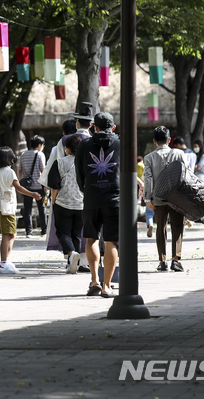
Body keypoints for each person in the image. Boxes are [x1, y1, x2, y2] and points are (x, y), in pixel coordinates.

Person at [74, 112, 121, 298]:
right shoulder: (120, 143)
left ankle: (94, 281)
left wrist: (85, 190)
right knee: (111, 241)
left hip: (92, 197)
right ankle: (107, 285)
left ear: (94, 127)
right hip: (115, 199)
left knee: (91, 238)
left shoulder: (84, 144)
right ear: (113, 127)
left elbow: (79, 172)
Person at [143, 126, 188, 273]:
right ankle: (176, 259)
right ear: (169, 140)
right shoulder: (180, 154)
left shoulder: (149, 158)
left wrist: (147, 199)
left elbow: (148, 179)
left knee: (161, 229)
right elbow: (186, 176)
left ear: (154, 141)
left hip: (158, 199)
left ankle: (162, 261)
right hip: (177, 198)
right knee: (178, 226)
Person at [0, 146, 40, 274]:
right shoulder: (9, 172)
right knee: (8, 235)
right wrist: (32, 194)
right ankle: (3, 263)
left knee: (10, 234)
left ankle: (6, 261)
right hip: (7, 207)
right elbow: (18, 187)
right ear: (9, 159)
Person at [47, 135, 84, 274]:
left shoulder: (60, 162)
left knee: (63, 232)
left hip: (63, 203)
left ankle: (71, 253)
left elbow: (54, 186)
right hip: (81, 204)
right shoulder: (85, 163)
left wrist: (54, 200)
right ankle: (74, 263)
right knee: (76, 234)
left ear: (67, 148)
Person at [18, 135, 46, 237]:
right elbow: (43, 171)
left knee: (27, 209)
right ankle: (44, 231)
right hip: (39, 186)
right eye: (43, 145)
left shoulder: (23, 155)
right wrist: (45, 184)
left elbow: (20, 171)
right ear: (39, 145)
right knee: (42, 209)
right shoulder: (40, 155)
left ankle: (28, 232)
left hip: (27, 188)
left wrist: (22, 183)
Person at [173, 137, 197, 228]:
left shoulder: (179, 153)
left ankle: (183, 221)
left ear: (178, 145)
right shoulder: (193, 153)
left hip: (180, 179)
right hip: (191, 179)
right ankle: (188, 218)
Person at [193, 139, 204, 224]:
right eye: (194, 147)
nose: (195, 148)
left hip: (201, 177)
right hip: (195, 177)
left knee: (202, 198)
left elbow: (198, 167)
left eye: (196, 146)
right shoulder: (195, 156)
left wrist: (190, 167)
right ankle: (199, 217)